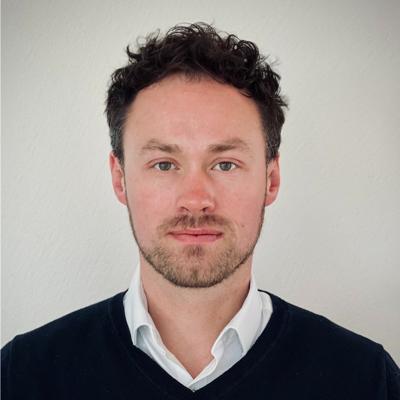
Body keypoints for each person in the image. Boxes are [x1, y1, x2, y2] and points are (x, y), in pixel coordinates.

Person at [1, 22, 399, 399]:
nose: (195, 199)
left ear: (271, 179)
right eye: (164, 164)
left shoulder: (366, 379)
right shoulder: (23, 375)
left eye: (225, 164)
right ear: (120, 179)